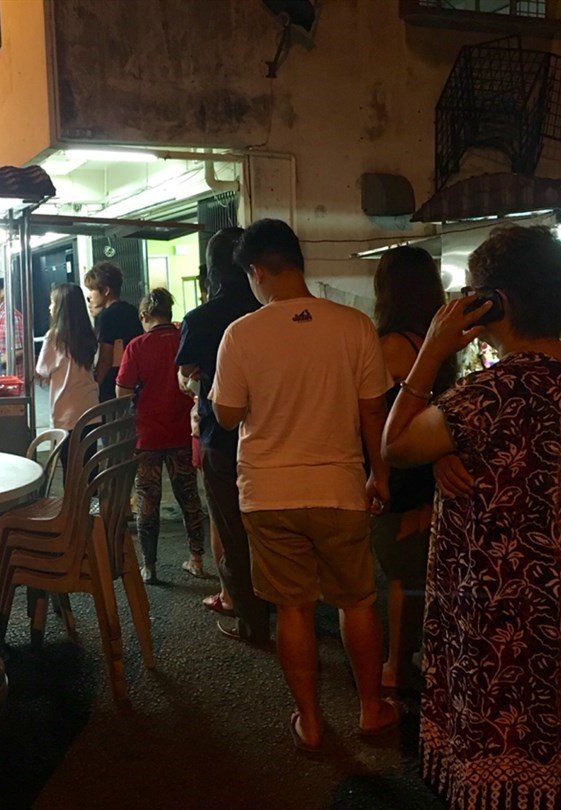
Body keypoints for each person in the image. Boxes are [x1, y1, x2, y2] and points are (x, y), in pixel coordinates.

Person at [382, 225, 561, 808]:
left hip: (507, 597)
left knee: (506, 722)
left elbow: (395, 445)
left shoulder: (491, 391)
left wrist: (432, 351)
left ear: (496, 302)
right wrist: (449, 451)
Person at [210, 219, 398, 752]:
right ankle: (370, 709)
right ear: (298, 261)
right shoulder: (354, 325)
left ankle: (311, 722)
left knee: (291, 609)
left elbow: (227, 417)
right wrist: (378, 475)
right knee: (357, 601)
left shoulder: (241, 334)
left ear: (255, 271)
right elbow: (372, 412)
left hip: (268, 493)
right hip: (339, 488)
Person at [370, 246, 458, 688]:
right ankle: (418, 656)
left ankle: (394, 665)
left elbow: (374, 417)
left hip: (401, 469)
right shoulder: (438, 342)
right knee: (422, 567)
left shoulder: (390, 346)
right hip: (432, 463)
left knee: (401, 572)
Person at [176, 227, 269, 646]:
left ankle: (249, 617)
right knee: (269, 526)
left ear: (211, 269)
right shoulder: (268, 311)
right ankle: (287, 603)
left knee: (231, 528)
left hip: (221, 434)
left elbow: (187, 376)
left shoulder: (201, 318)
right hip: (270, 431)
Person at [116, 288, 206, 583]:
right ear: (169, 312)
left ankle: (149, 566)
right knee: (189, 497)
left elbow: (123, 391)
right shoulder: (186, 338)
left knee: (147, 499)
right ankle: (196, 558)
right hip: (182, 431)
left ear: (144, 316)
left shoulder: (137, 346)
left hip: (148, 435)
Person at [35, 283, 100, 480]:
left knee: (71, 471)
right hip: (91, 411)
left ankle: (73, 511)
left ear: (61, 307)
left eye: (52, 303)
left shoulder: (54, 337)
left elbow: (41, 370)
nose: (49, 308)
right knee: (89, 469)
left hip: (67, 415)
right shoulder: (88, 334)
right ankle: (90, 508)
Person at [84, 262, 142, 402]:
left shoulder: (107, 316)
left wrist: (95, 385)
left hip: (113, 383)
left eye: (92, 290)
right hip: (135, 379)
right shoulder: (133, 311)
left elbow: (105, 359)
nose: (90, 296)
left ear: (106, 291)